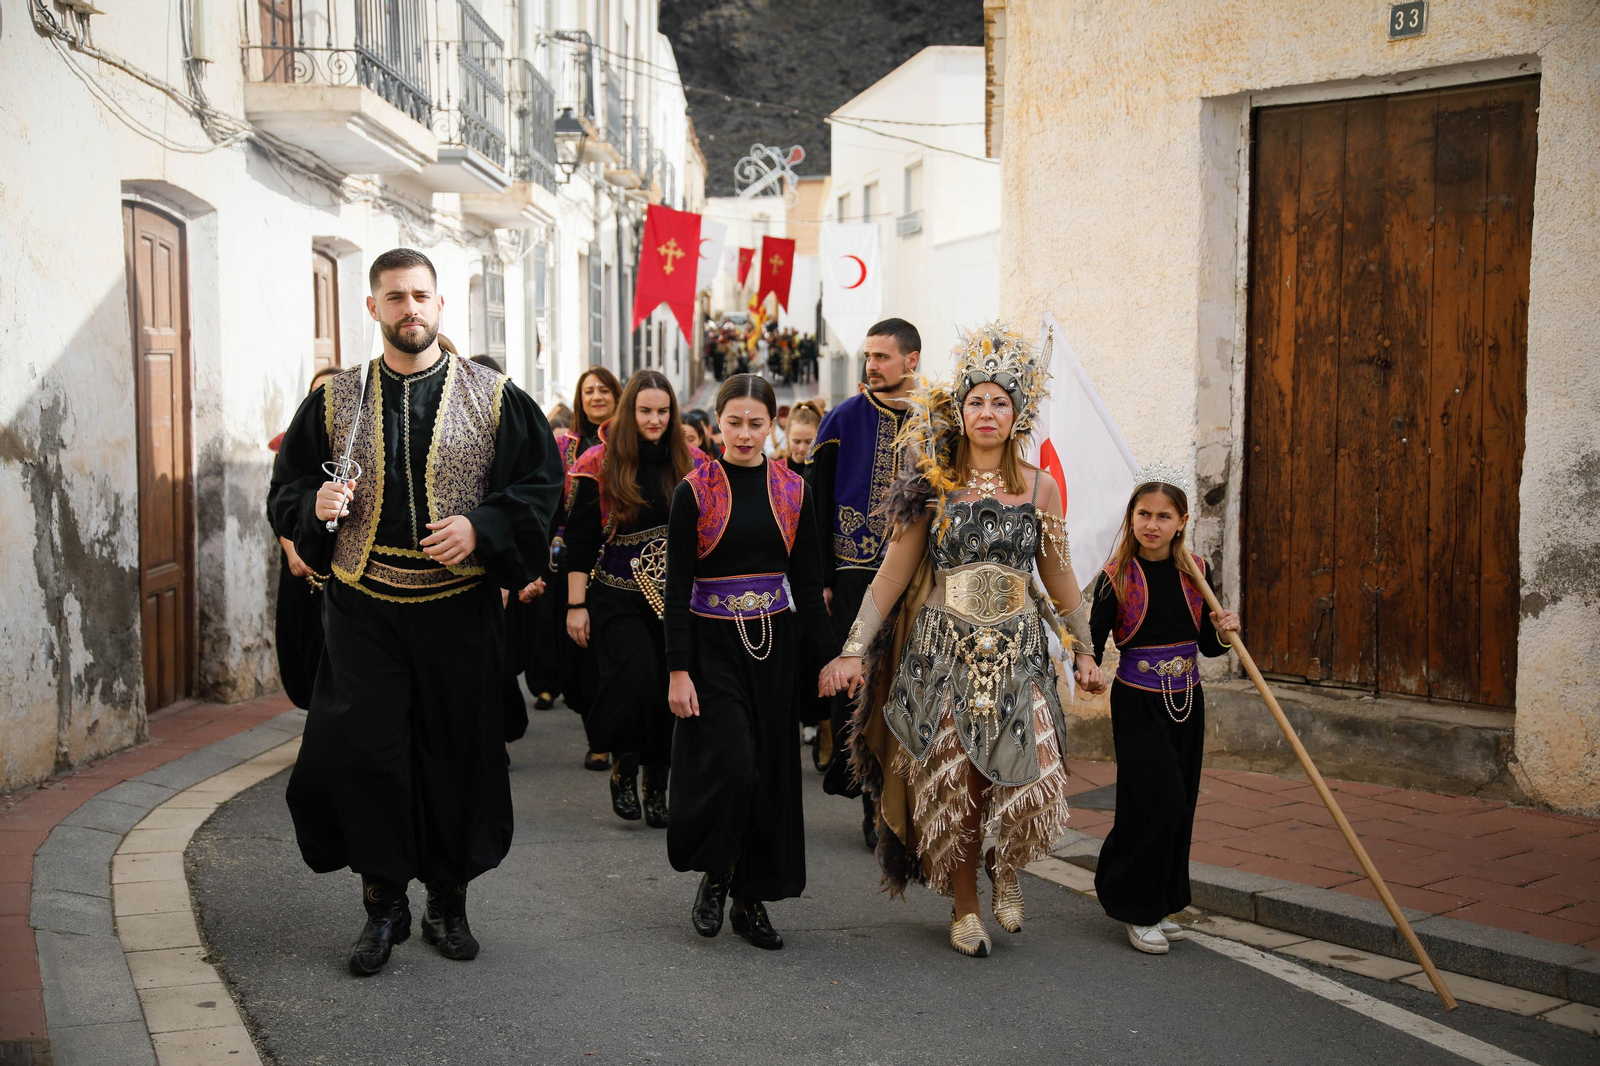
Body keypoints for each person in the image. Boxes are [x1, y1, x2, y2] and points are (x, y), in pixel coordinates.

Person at [268, 248, 562, 976]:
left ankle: (448, 902)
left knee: (454, 755)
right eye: (395, 297)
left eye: (421, 295)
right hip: (362, 608)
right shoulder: (335, 400)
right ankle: (381, 904)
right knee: (365, 755)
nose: (409, 309)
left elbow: (541, 486)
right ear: (373, 308)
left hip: (456, 610)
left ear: (440, 305)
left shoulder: (492, 395)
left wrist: (482, 528)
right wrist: (314, 505)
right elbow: (287, 486)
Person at [822, 324, 1104, 959]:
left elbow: (1058, 576)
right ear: (960, 409)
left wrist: (1085, 651)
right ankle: (966, 905)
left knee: (1024, 777)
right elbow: (892, 573)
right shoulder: (933, 483)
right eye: (976, 400)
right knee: (964, 784)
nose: (986, 413)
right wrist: (851, 649)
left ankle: (1007, 870)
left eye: (999, 402)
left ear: (1017, 414)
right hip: (943, 655)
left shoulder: (1041, 488)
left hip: (1020, 653)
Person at [663, 374, 836, 951]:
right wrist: (678, 670)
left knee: (769, 776)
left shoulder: (794, 490)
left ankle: (751, 901)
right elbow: (677, 587)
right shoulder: (694, 491)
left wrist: (829, 659)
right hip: (712, 648)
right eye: (733, 422)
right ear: (716, 425)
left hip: (775, 645)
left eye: (755, 423)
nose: (744, 433)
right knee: (734, 764)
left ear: (774, 425)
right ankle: (716, 874)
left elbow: (809, 585)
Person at [1089, 469, 1239, 954]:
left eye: (1163, 516)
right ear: (1131, 519)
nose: (1152, 524)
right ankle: (1135, 907)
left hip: (1188, 701)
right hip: (1137, 700)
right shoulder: (1115, 579)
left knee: (1182, 805)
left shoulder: (1196, 571)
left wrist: (1225, 630)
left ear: (1182, 521)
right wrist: (1084, 664)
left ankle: (1162, 900)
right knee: (1157, 802)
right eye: (1144, 514)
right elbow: (1089, 641)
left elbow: (1209, 648)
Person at [565, 370, 701, 826]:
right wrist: (575, 605)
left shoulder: (696, 464)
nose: (655, 419)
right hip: (616, 594)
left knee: (669, 689)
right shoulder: (597, 463)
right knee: (635, 680)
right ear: (630, 411)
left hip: (675, 598)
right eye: (645, 410)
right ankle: (624, 767)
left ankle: (656, 786)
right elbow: (580, 542)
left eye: (663, 411)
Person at [810, 318, 921, 847]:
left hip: (921, 578)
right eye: (868, 356)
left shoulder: (942, 423)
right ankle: (868, 798)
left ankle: (902, 798)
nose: (872, 366)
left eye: (882, 356)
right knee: (859, 689)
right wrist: (822, 578)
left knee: (909, 685)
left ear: (911, 361)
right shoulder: (840, 421)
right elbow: (817, 504)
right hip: (854, 576)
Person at [559, 366, 623, 771]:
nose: (596, 396)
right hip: (576, 559)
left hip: (624, 566)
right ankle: (597, 735)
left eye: (603, 390)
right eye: (588, 391)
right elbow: (553, 501)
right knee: (582, 661)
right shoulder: (568, 446)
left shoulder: (636, 443)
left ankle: (615, 743)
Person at [269, 364, 341, 709]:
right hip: (301, 567)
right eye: (317, 394)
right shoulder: (294, 445)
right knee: (300, 646)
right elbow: (279, 505)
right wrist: (293, 552)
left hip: (340, 574)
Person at [781, 399, 828, 765]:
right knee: (790, 653)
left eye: (808, 440)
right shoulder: (777, 474)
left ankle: (819, 723)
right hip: (781, 577)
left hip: (811, 572)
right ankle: (795, 719)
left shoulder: (819, 476)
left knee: (815, 652)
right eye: (796, 441)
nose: (802, 448)